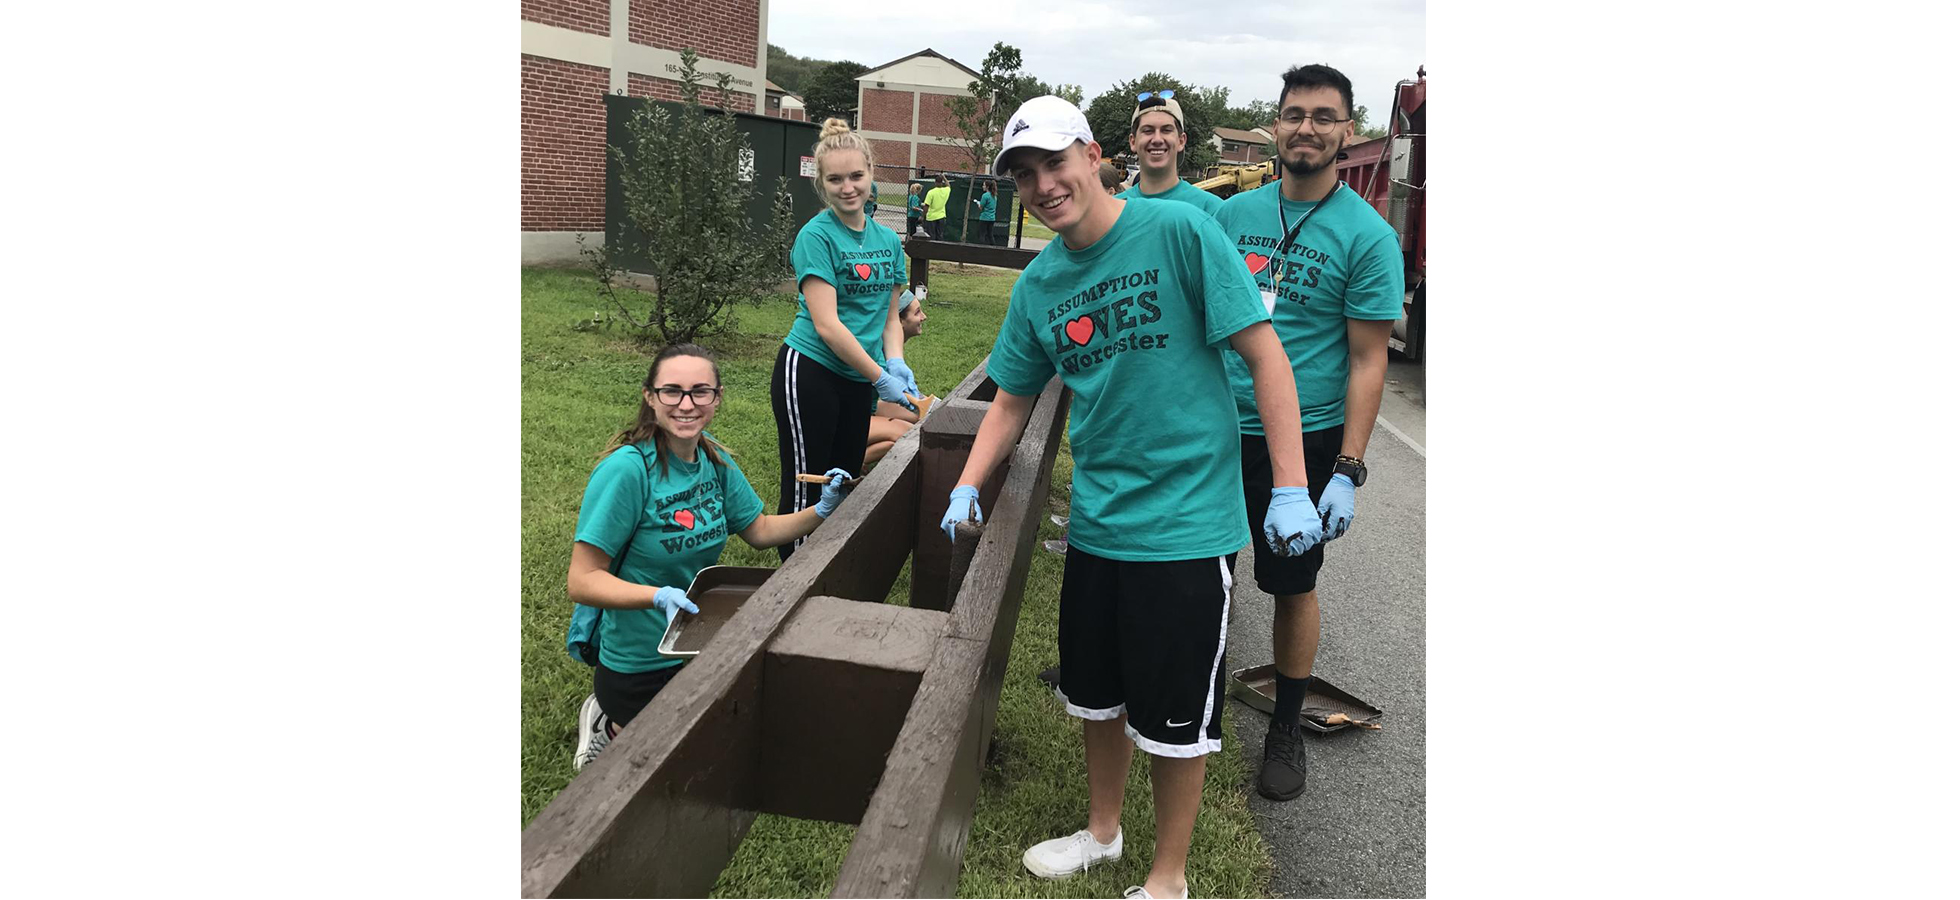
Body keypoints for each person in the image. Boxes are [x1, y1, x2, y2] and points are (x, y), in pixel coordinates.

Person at [942, 95, 1316, 900]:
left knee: (1178, 721)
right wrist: (968, 484)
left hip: (1184, 530)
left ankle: (1168, 879)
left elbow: (1265, 356)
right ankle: (1103, 833)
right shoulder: (1040, 284)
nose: (1044, 185)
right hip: (1099, 525)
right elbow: (1010, 398)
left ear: (1092, 152)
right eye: (1025, 174)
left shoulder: (1181, 231)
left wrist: (1291, 486)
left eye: (1055, 162)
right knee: (1098, 696)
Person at [1212, 63, 1404, 803]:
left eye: (1325, 117)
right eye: (1295, 114)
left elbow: (1366, 360)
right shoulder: (1234, 217)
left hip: (1307, 438)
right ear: (1277, 123)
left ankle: (1286, 725)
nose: (1307, 128)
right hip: (1215, 423)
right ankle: (1177, 688)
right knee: (1198, 565)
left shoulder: (1368, 236)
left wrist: (1346, 469)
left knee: (1291, 582)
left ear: (1346, 132)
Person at [568, 344, 854, 770]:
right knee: (654, 765)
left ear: (717, 399)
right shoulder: (628, 471)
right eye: (672, 391)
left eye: (701, 392)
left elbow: (758, 530)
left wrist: (822, 510)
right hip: (638, 659)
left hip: (700, 642)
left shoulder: (712, 460)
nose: (687, 404)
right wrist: (656, 596)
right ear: (650, 397)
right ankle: (608, 725)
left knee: (721, 748)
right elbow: (583, 579)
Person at [772, 117, 917, 560]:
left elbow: (891, 317)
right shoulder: (816, 236)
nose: (848, 187)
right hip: (811, 372)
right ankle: (790, 580)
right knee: (808, 481)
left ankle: (827, 565)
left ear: (872, 174)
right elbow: (828, 325)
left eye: (856, 176)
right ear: (822, 183)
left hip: (862, 377)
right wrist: (880, 376)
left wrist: (895, 361)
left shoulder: (888, 240)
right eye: (835, 179)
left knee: (845, 475)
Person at [1117, 91, 1224, 215]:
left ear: (1181, 141)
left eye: (1166, 130)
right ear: (1133, 141)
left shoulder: (1212, 209)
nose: (1157, 139)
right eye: (1148, 131)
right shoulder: (1114, 208)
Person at [864, 292, 929, 467]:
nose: (924, 317)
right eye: (917, 313)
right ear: (898, 319)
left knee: (921, 418)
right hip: (851, 415)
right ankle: (846, 462)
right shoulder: (872, 349)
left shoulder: (891, 351)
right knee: (907, 433)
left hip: (871, 407)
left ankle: (857, 462)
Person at [922, 174, 951, 239]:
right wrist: (944, 177)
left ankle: (931, 248)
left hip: (931, 217)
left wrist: (922, 216)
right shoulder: (946, 191)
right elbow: (948, 185)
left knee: (931, 236)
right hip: (941, 216)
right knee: (940, 235)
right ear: (942, 183)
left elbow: (926, 206)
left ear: (935, 182)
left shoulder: (931, 192)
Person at [970, 179, 999, 245]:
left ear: (987, 187)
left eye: (984, 185)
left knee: (982, 234)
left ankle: (981, 249)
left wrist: (978, 203)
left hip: (984, 218)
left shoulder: (985, 195)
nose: (983, 187)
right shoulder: (994, 196)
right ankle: (994, 248)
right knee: (990, 235)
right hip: (992, 218)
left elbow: (981, 207)